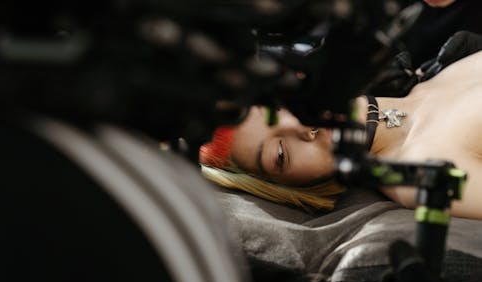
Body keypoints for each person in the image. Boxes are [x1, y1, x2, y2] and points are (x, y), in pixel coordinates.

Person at [200, 49, 482, 220]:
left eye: (279, 106)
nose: (302, 126)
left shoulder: (431, 78)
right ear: (292, 188)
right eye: (281, 153)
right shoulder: (418, 175)